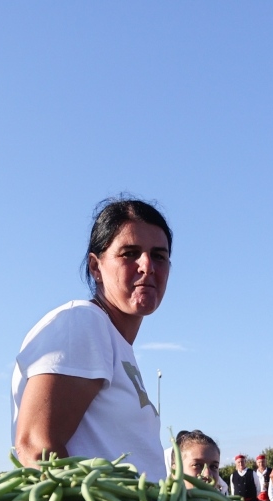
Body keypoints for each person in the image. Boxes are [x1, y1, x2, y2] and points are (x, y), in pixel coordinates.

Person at [11, 197, 170, 478]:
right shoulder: (83, 321)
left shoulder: (115, 341)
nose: (147, 265)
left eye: (159, 255)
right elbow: (37, 447)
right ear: (96, 267)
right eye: (129, 253)